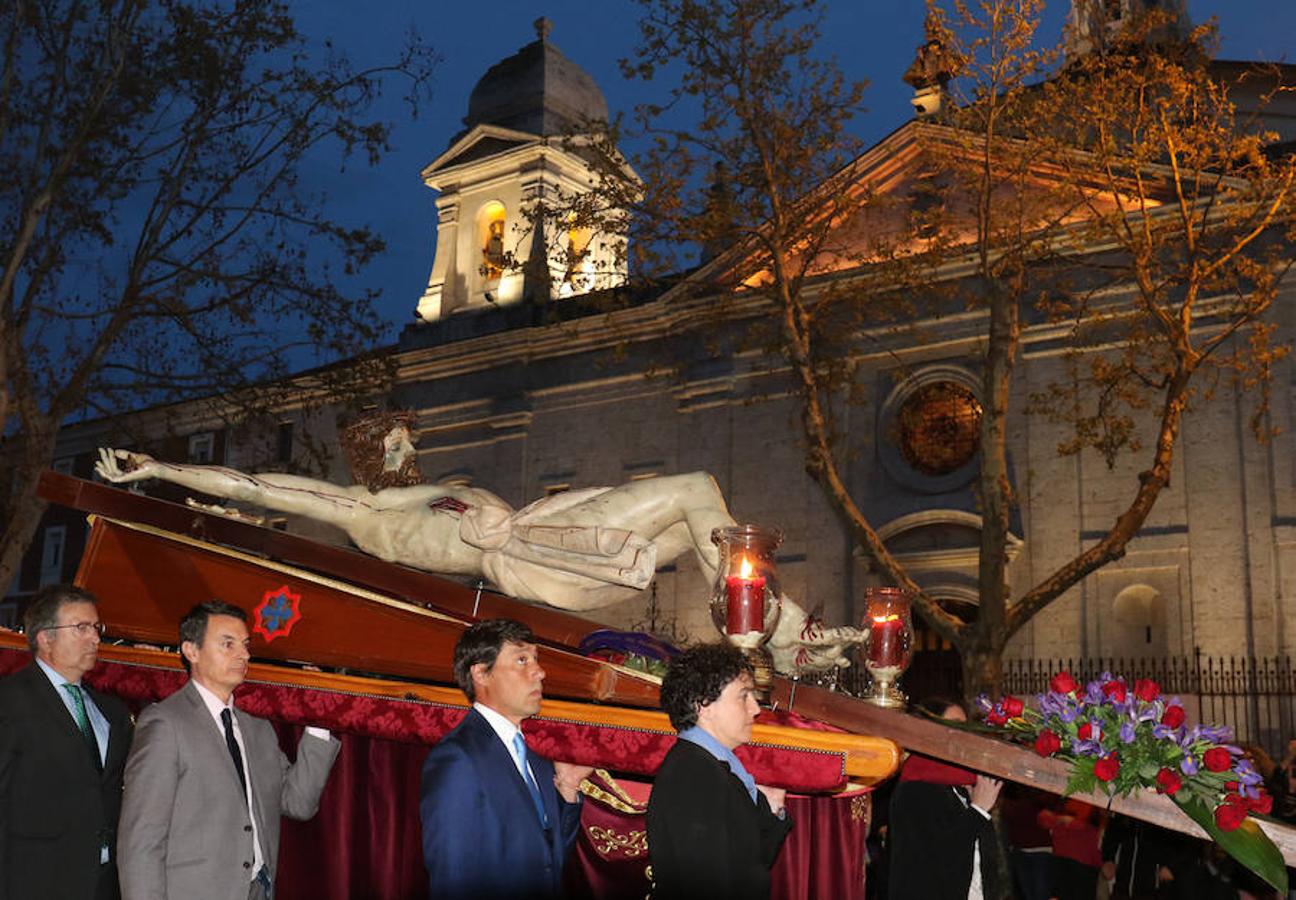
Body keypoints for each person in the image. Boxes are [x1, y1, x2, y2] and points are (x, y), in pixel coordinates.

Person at [93, 415, 865, 675]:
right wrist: (160, 469)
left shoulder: (428, 490)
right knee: (697, 487)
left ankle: (781, 636)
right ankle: (782, 636)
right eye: (397, 443)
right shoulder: (367, 510)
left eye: (408, 440)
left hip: (546, 539)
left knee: (701, 525)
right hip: (535, 554)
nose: (408, 450)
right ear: (371, 457)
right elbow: (259, 487)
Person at [117, 600, 340, 900]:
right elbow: (141, 841)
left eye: (246, 645)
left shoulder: (257, 729)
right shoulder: (165, 723)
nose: (244, 654)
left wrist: (318, 722)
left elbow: (298, 802)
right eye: (228, 644)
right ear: (191, 651)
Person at [419, 618, 591, 898]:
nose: (540, 672)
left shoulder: (537, 758)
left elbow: (551, 862)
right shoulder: (458, 759)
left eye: (536, 659)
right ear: (481, 674)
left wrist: (567, 787)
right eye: (522, 660)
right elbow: (453, 879)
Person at [0, 584, 133, 900]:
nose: (95, 638)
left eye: (96, 627)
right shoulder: (9, 701)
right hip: (33, 882)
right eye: (81, 628)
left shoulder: (112, 711)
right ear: (46, 638)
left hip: (103, 883)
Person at [646, 642, 793, 899]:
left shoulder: (715, 765)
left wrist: (772, 808)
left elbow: (751, 863)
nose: (756, 709)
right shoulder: (694, 775)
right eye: (743, 696)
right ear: (703, 705)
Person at [887, 697, 1003, 899]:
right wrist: (977, 810)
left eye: (965, 728)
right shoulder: (915, 788)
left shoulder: (962, 785)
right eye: (954, 727)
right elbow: (934, 861)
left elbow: (985, 862)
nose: (963, 735)